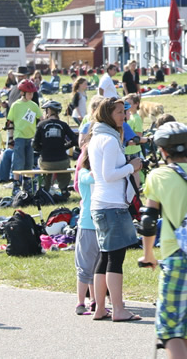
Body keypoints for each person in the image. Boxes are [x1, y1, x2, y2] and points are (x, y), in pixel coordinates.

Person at [139, 122, 187, 357]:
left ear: (163, 150)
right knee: (186, 331)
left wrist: (148, 254)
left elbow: (148, 220)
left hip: (177, 256)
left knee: (170, 332)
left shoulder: (159, 175)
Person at [88, 97, 142, 322]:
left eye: (124, 111)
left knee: (105, 257)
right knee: (115, 259)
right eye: (119, 112)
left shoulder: (97, 137)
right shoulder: (109, 140)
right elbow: (109, 174)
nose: (124, 116)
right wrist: (132, 166)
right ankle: (118, 309)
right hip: (112, 205)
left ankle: (100, 307)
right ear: (107, 114)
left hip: (102, 204)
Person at [74, 135, 100, 316]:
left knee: (97, 267)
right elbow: (90, 177)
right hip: (87, 225)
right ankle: (80, 302)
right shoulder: (83, 173)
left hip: (100, 225)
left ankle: (95, 300)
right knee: (84, 267)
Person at [34, 100, 76, 194]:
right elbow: (75, 140)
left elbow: (34, 144)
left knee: (44, 167)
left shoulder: (41, 125)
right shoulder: (63, 125)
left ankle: (45, 189)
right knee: (64, 166)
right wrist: (64, 147)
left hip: (46, 162)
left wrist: (44, 149)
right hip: (61, 161)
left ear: (48, 110)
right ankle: (64, 189)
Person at [8, 79, 42, 192]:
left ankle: (27, 184)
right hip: (19, 136)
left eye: (32, 94)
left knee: (29, 162)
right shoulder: (15, 105)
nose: (31, 96)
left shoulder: (34, 105)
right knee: (18, 161)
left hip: (31, 137)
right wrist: (10, 139)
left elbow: (41, 119)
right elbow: (10, 122)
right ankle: (16, 184)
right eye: (29, 93)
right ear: (22, 93)